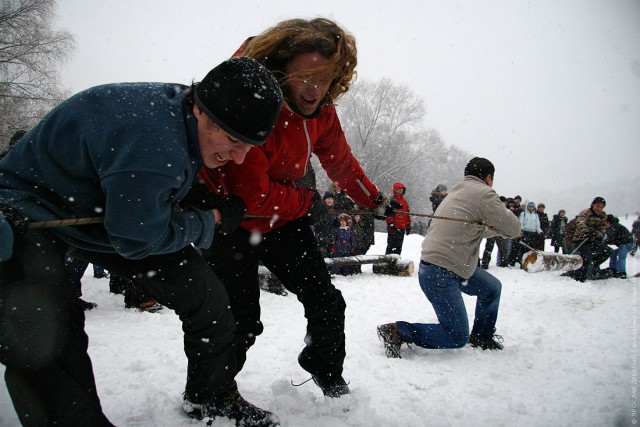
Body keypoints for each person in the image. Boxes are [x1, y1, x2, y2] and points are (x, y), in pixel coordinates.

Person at [0, 58, 283, 426]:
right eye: (232, 141)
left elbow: (143, 208)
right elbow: (138, 240)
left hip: (98, 211)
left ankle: (209, 398)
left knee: (207, 297)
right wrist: (208, 220)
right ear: (200, 109)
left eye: (249, 145)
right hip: (28, 217)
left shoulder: (186, 114)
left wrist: (196, 198)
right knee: (46, 335)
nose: (239, 157)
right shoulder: (154, 144)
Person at [198, 18, 392, 399]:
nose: (314, 89)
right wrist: (309, 202)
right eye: (305, 78)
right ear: (280, 70)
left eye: (324, 79)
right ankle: (209, 394)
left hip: (283, 222)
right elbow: (253, 194)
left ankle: (323, 365)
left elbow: (341, 162)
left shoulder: (322, 111)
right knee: (240, 321)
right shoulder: (255, 105)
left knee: (327, 301)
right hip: (233, 222)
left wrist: (375, 201)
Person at [377, 157, 521, 357]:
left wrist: (494, 229)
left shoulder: (457, 192)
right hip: (441, 273)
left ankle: (481, 336)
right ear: (488, 178)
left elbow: (470, 228)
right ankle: (398, 331)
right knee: (456, 336)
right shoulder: (484, 193)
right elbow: (513, 227)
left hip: (446, 267)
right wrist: (502, 229)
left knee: (492, 288)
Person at [563, 197, 612, 282]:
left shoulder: (603, 215)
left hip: (592, 240)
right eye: (597, 206)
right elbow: (580, 223)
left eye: (601, 207)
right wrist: (586, 232)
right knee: (586, 258)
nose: (599, 209)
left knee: (607, 251)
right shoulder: (586, 212)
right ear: (593, 204)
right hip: (580, 240)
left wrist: (596, 233)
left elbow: (602, 228)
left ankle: (592, 266)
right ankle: (580, 278)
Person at [385, 182, 411, 255]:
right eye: (399, 189)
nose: (400, 191)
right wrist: (390, 223)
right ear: (395, 190)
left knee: (399, 247)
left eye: (402, 189)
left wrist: (408, 224)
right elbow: (388, 214)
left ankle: (396, 262)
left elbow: (407, 214)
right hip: (394, 228)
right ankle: (388, 263)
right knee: (391, 247)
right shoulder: (392, 200)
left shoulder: (404, 201)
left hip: (402, 228)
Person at [605, 214, 634, 279]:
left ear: (608, 222)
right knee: (613, 254)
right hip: (621, 243)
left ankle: (622, 273)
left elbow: (611, 238)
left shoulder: (614, 227)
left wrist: (605, 242)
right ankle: (612, 269)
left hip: (626, 243)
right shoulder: (612, 226)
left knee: (621, 257)